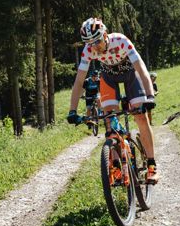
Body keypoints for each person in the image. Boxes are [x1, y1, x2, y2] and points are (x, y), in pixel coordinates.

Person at [67, 17, 159, 184]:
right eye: (90, 43)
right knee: (110, 124)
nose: (95, 47)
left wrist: (150, 95)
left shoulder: (121, 41)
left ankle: (152, 165)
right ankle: (116, 166)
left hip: (132, 75)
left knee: (140, 117)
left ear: (105, 34)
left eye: (98, 41)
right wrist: (72, 110)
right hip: (109, 78)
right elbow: (79, 81)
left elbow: (141, 68)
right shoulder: (88, 51)